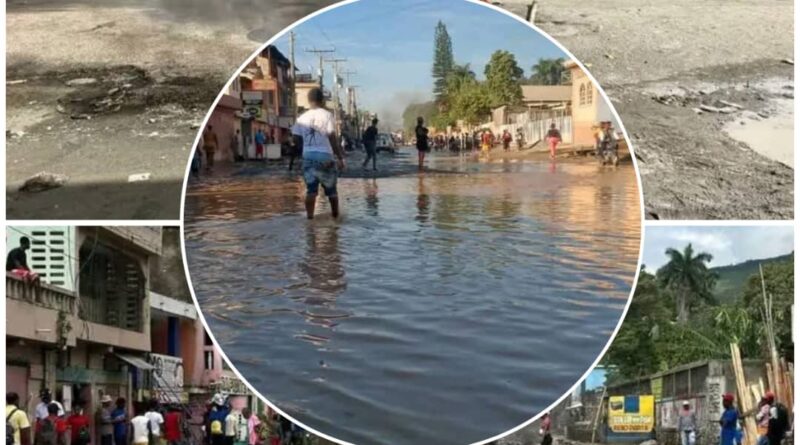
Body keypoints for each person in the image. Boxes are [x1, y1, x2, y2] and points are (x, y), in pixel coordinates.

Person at [291, 87, 346, 220]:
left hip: (308, 157)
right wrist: (340, 158)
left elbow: (295, 138)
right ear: (322, 100)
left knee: (311, 191)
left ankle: (310, 219)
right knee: (331, 190)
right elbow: (332, 138)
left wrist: (303, 151)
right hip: (325, 157)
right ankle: (335, 217)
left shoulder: (301, 118)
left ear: (309, 101)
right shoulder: (327, 115)